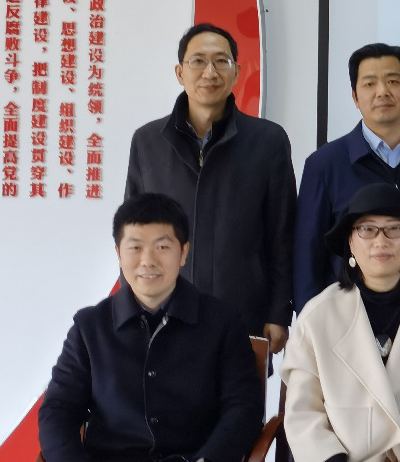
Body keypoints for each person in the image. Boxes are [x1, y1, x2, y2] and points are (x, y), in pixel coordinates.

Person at [39, 193, 263, 462]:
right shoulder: (89, 328)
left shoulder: (222, 322)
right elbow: (58, 410)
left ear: (183, 252)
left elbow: (244, 407)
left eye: (162, 247)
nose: (148, 261)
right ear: (118, 254)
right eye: (135, 247)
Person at [126, 23, 296, 351]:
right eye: (198, 61)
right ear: (180, 72)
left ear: (237, 72)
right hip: (163, 313)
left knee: (237, 385)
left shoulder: (268, 141)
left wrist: (278, 312)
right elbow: (131, 234)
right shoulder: (148, 142)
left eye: (221, 61)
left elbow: (282, 233)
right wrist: (130, 309)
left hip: (243, 313)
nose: (210, 72)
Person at [284, 183, 400, 462]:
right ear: (351, 242)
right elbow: (303, 412)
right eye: (367, 229)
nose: (381, 241)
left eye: (395, 228)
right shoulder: (317, 317)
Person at [294, 43, 400, 312]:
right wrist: (311, 321)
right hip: (347, 319)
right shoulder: (324, 165)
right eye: (369, 84)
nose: (382, 92)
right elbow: (307, 256)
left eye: (393, 81)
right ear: (355, 97)